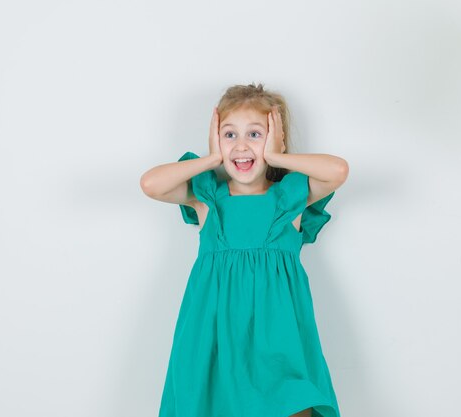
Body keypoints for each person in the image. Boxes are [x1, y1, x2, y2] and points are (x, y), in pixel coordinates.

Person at [140, 83, 349, 417]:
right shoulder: (209, 199)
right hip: (214, 341)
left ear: (274, 137)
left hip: (280, 346)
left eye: (255, 134)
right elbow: (151, 184)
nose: (241, 146)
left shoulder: (288, 199)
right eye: (229, 134)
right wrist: (210, 159)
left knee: (294, 404)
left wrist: (278, 156)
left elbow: (338, 171)